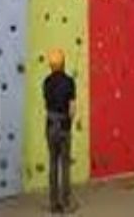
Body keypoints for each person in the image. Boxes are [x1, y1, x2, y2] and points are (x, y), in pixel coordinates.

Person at [43, 49, 77, 214]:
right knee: (65, 165)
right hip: (64, 126)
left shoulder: (46, 82)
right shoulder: (69, 82)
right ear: (63, 63)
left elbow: (46, 105)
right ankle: (66, 203)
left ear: (51, 65)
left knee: (53, 163)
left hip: (50, 124)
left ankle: (53, 203)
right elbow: (72, 109)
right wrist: (69, 121)